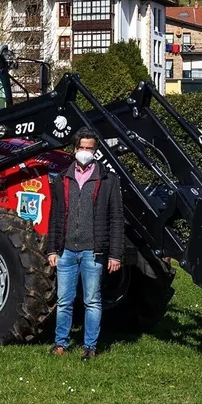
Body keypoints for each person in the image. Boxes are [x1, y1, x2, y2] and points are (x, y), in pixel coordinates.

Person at [45, 129, 124, 361]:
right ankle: (60, 343)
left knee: (92, 301)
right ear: (74, 149)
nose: (85, 153)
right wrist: (52, 249)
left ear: (95, 151)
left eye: (90, 149)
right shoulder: (62, 179)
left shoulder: (108, 180)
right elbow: (55, 216)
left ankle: (90, 346)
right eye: (82, 148)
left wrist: (115, 255)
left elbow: (116, 218)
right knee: (64, 300)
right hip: (66, 250)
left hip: (93, 251)